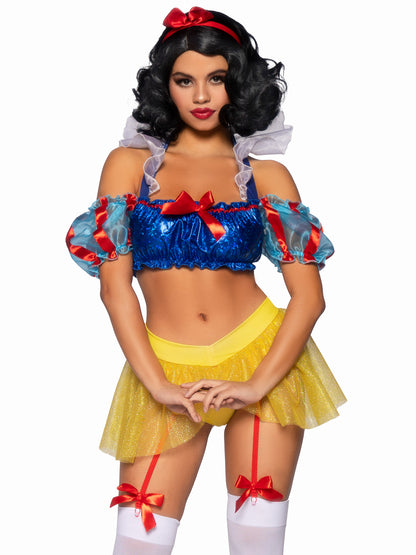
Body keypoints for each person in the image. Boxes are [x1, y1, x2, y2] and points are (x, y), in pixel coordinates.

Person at [66, 7, 346, 554]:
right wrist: (156, 385)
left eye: (216, 78)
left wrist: (256, 385)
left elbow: (309, 298)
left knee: (256, 542)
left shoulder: (265, 175)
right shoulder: (129, 166)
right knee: (139, 542)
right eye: (184, 80)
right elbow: (114, 288)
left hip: (264, 361)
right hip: (163, 368)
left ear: (237, 84)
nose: (200, 95)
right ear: (164, 86)